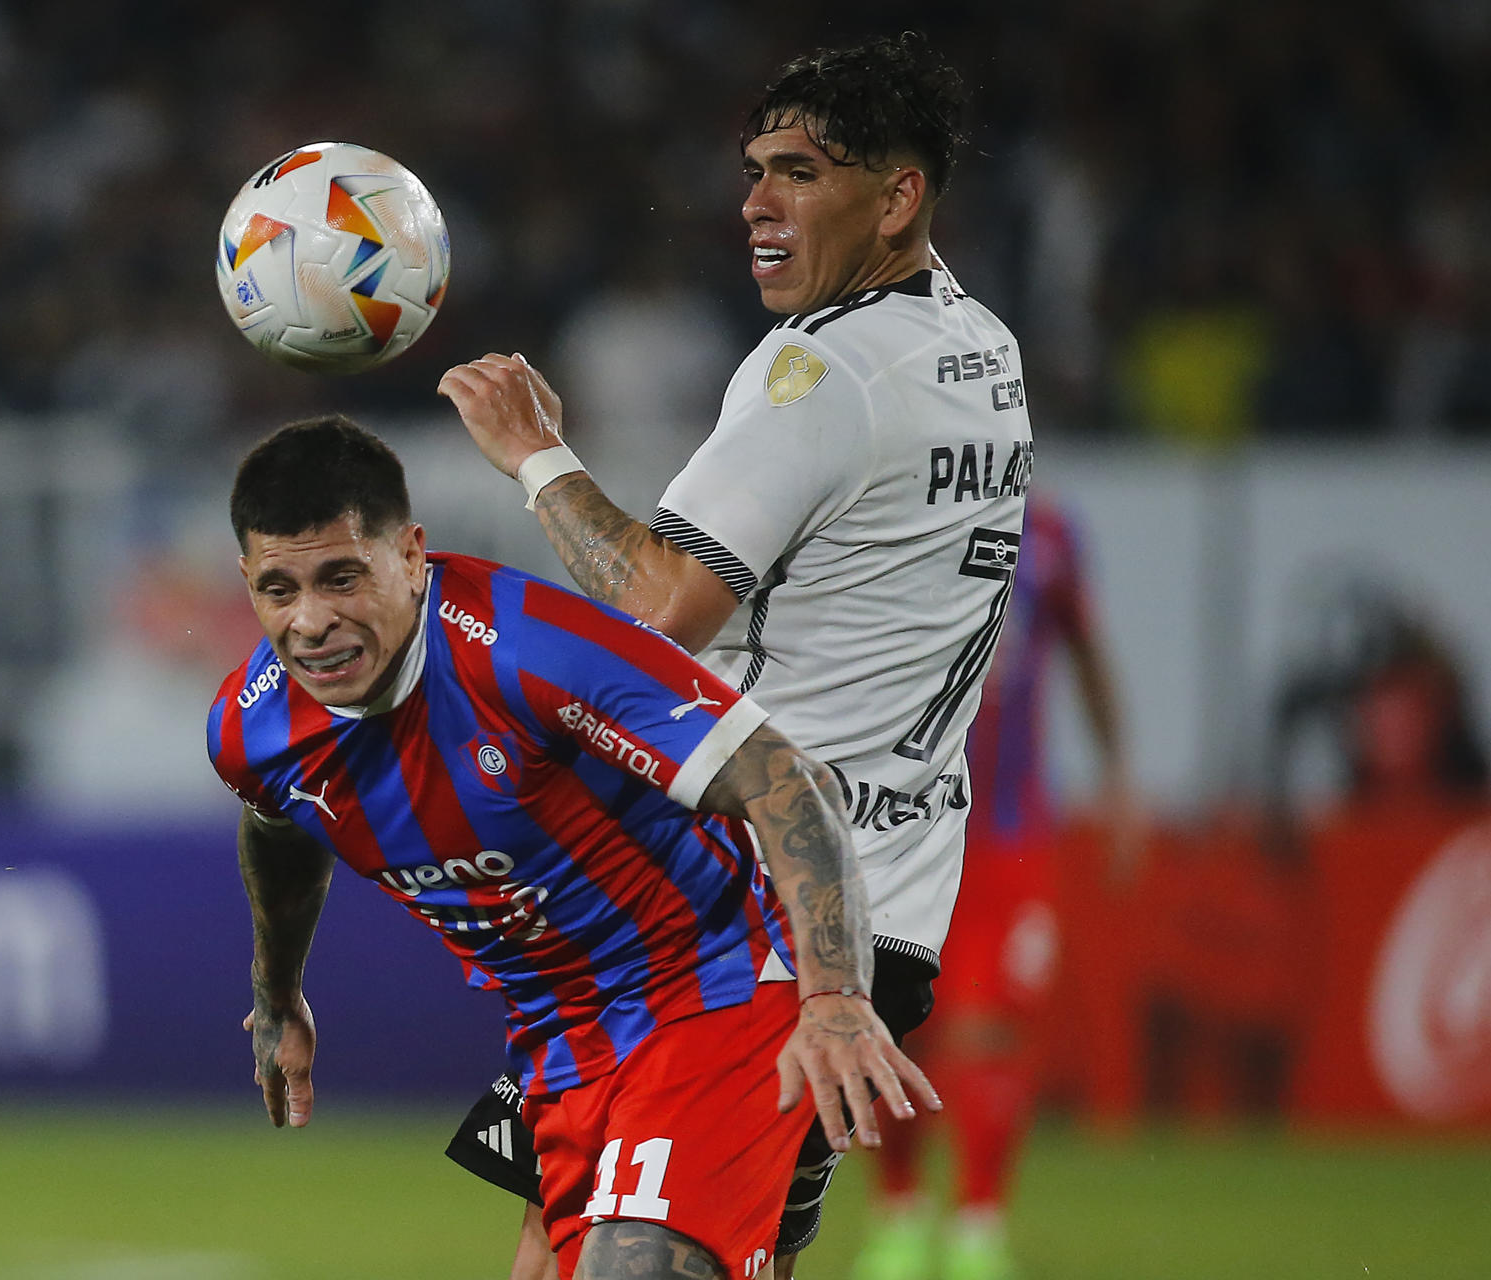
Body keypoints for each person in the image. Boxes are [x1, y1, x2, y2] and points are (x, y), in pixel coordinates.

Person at [438, 32, 1029, 1279]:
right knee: (578, 1234)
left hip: (755, 909)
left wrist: (537, 454)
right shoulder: (982, 348)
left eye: (801, 172)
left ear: (899, 193)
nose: (755, 201)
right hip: (888, 887)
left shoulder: (825, 371)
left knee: (641, 1254)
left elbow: (657, 606)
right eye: (757, 167)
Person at [210, 416, 938, 1280]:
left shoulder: (532, 651)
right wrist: (279, 991)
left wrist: (833, 999)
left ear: (410, 555)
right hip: (560, 1039)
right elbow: (279, 825)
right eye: (279, 590)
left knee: (632, 1270)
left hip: (715, 985)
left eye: (342, 578)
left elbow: (791, 784)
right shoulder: (252, 729)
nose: (312, 623)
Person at [851, 497, 1140, 1280]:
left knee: (987, 1030)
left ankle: (978, 1227)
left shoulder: (1049, 535)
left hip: (1008, 836)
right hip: (899, 821)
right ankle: (901, 1216)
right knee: (891, 1025)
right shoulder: (891, 505)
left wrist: (1118, 783)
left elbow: (1086, 653)